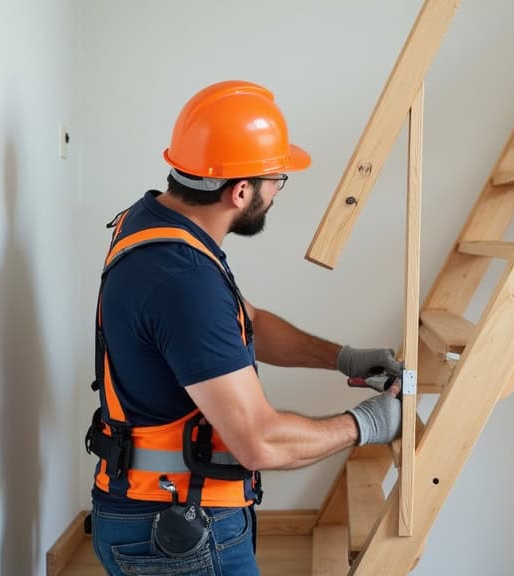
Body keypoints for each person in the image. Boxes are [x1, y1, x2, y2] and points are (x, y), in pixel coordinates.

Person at [84, 80, 402, 576]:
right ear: (240, 190)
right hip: (178, 531)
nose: (277, 192)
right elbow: (260, 441)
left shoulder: (155, 224)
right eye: (276, 180)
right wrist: (366, 424)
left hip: (156, 513)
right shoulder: (183, 279)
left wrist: (342, 358)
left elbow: (245, 321)